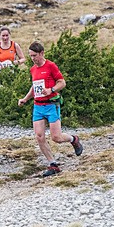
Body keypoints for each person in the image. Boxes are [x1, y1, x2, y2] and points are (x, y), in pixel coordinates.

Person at [18, 41, 84, 177]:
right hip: (38, 106)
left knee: (56, 137)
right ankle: (53, 164)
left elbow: (62, 82)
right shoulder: (33, 69)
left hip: (51, 105)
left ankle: (73, 139)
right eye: (30, 56)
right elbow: (34, 86)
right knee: (39, 136)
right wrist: (25, 98)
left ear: (42, 53)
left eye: (35, 55)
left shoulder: (50, 66)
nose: (33, 58)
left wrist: (51, 90)